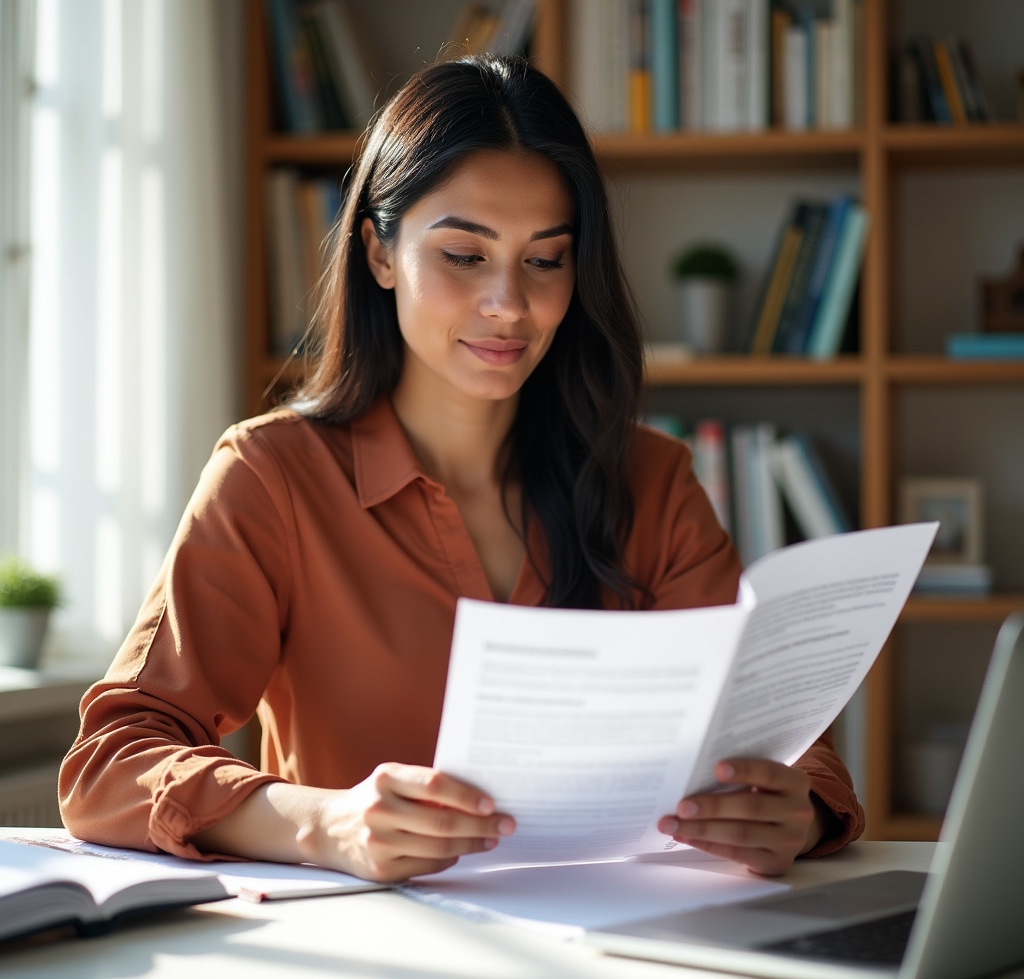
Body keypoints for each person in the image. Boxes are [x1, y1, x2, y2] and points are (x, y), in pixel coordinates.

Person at [59, 54, 864, 884]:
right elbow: (108, 767)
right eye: (464, 256)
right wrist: (325, 822)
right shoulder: (271, 477)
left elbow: (790, 753)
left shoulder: (651, 482)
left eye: (545, 260)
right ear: (378, 252)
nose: (508, 304)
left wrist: (793, 812)